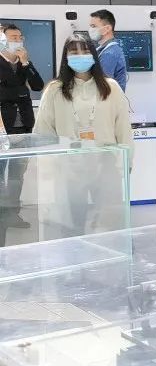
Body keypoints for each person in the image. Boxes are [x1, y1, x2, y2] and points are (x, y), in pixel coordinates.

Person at [34, 35, 133, 236]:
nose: (80, 56)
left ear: (94, 54)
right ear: (66, 57)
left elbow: (123, 128)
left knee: (109, 225)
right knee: (71, 226)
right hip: (69, 166)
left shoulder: (111, 87)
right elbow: (44, 131)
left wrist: (126, 163)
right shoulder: (55, 90)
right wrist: (48, 170)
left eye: (85, 51)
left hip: (105, 164)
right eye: (74, 52)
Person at [0, 24, 45, 229]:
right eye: (12, 37)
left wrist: (25, 63)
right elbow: (11, 87)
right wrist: (20, 76)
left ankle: (12, 214)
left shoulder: (25, 63)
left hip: (23, 126)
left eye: (19, 37)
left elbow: (38, 85)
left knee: (17, 174)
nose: (17, 40)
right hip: (3, 126)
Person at [88, 10, 128, 91]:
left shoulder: (109, 53)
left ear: (107, 28)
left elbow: (102, 86)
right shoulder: (103, 49)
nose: (90, 30)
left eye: (93, 26)